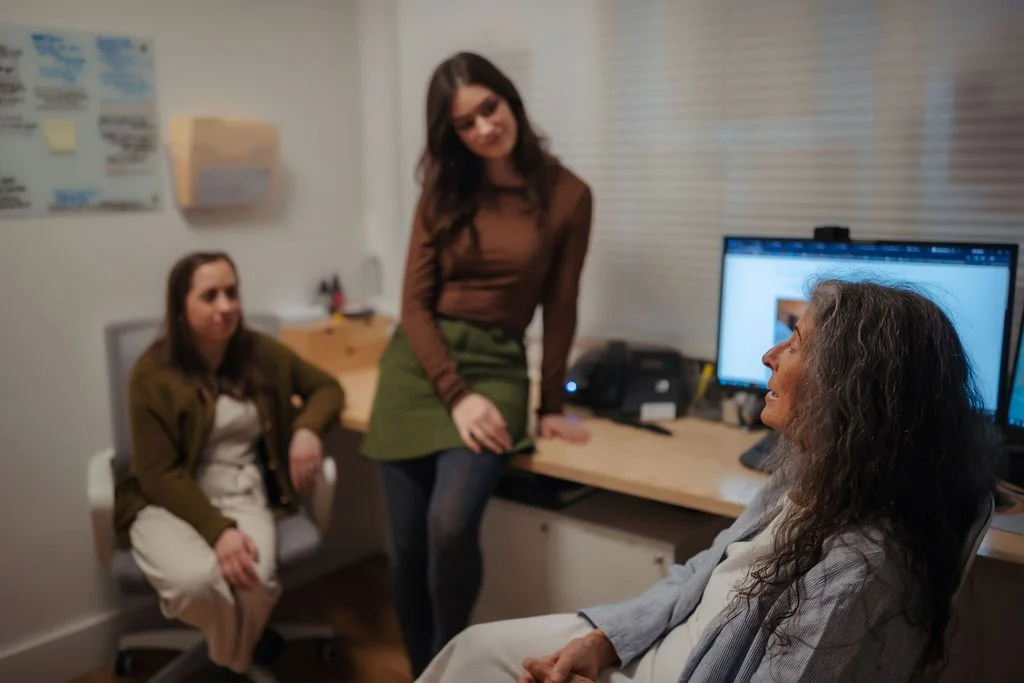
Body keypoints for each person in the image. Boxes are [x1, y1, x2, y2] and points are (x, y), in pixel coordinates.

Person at [416, 279, 999, 683]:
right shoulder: (812, 469)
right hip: (662, 643)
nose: (770, 356)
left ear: (853, 391)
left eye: (795, 344)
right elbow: (709, 570)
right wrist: (606, 641)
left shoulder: (861, 573)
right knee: (471, 649)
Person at [360, 51, 595, 675]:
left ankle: (451, 664)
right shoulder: (444, 188)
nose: (484, 127)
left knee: (449, 526)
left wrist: (549, 403)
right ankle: (424, 673)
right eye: (465, 123)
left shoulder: (569, 195)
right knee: (406, 545)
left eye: (488, 107)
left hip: (496, 367)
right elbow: (413, 306)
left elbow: (561, 307)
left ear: (508, 98)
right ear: (451, 133)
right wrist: (453, 393)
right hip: (419, 366)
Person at [113, 251, 344, 679]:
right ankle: (239, 656)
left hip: (243, 489)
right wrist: (219, 532)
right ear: (181, 308)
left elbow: (327, 388)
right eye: (210, 296)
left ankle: (224, 662)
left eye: (232, 292)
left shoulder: (259, 352)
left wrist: (308, 429)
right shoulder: (153, 373)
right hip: (167, 497)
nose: (226, 306)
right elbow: (157, 473)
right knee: (197, 584)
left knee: (253, 580)